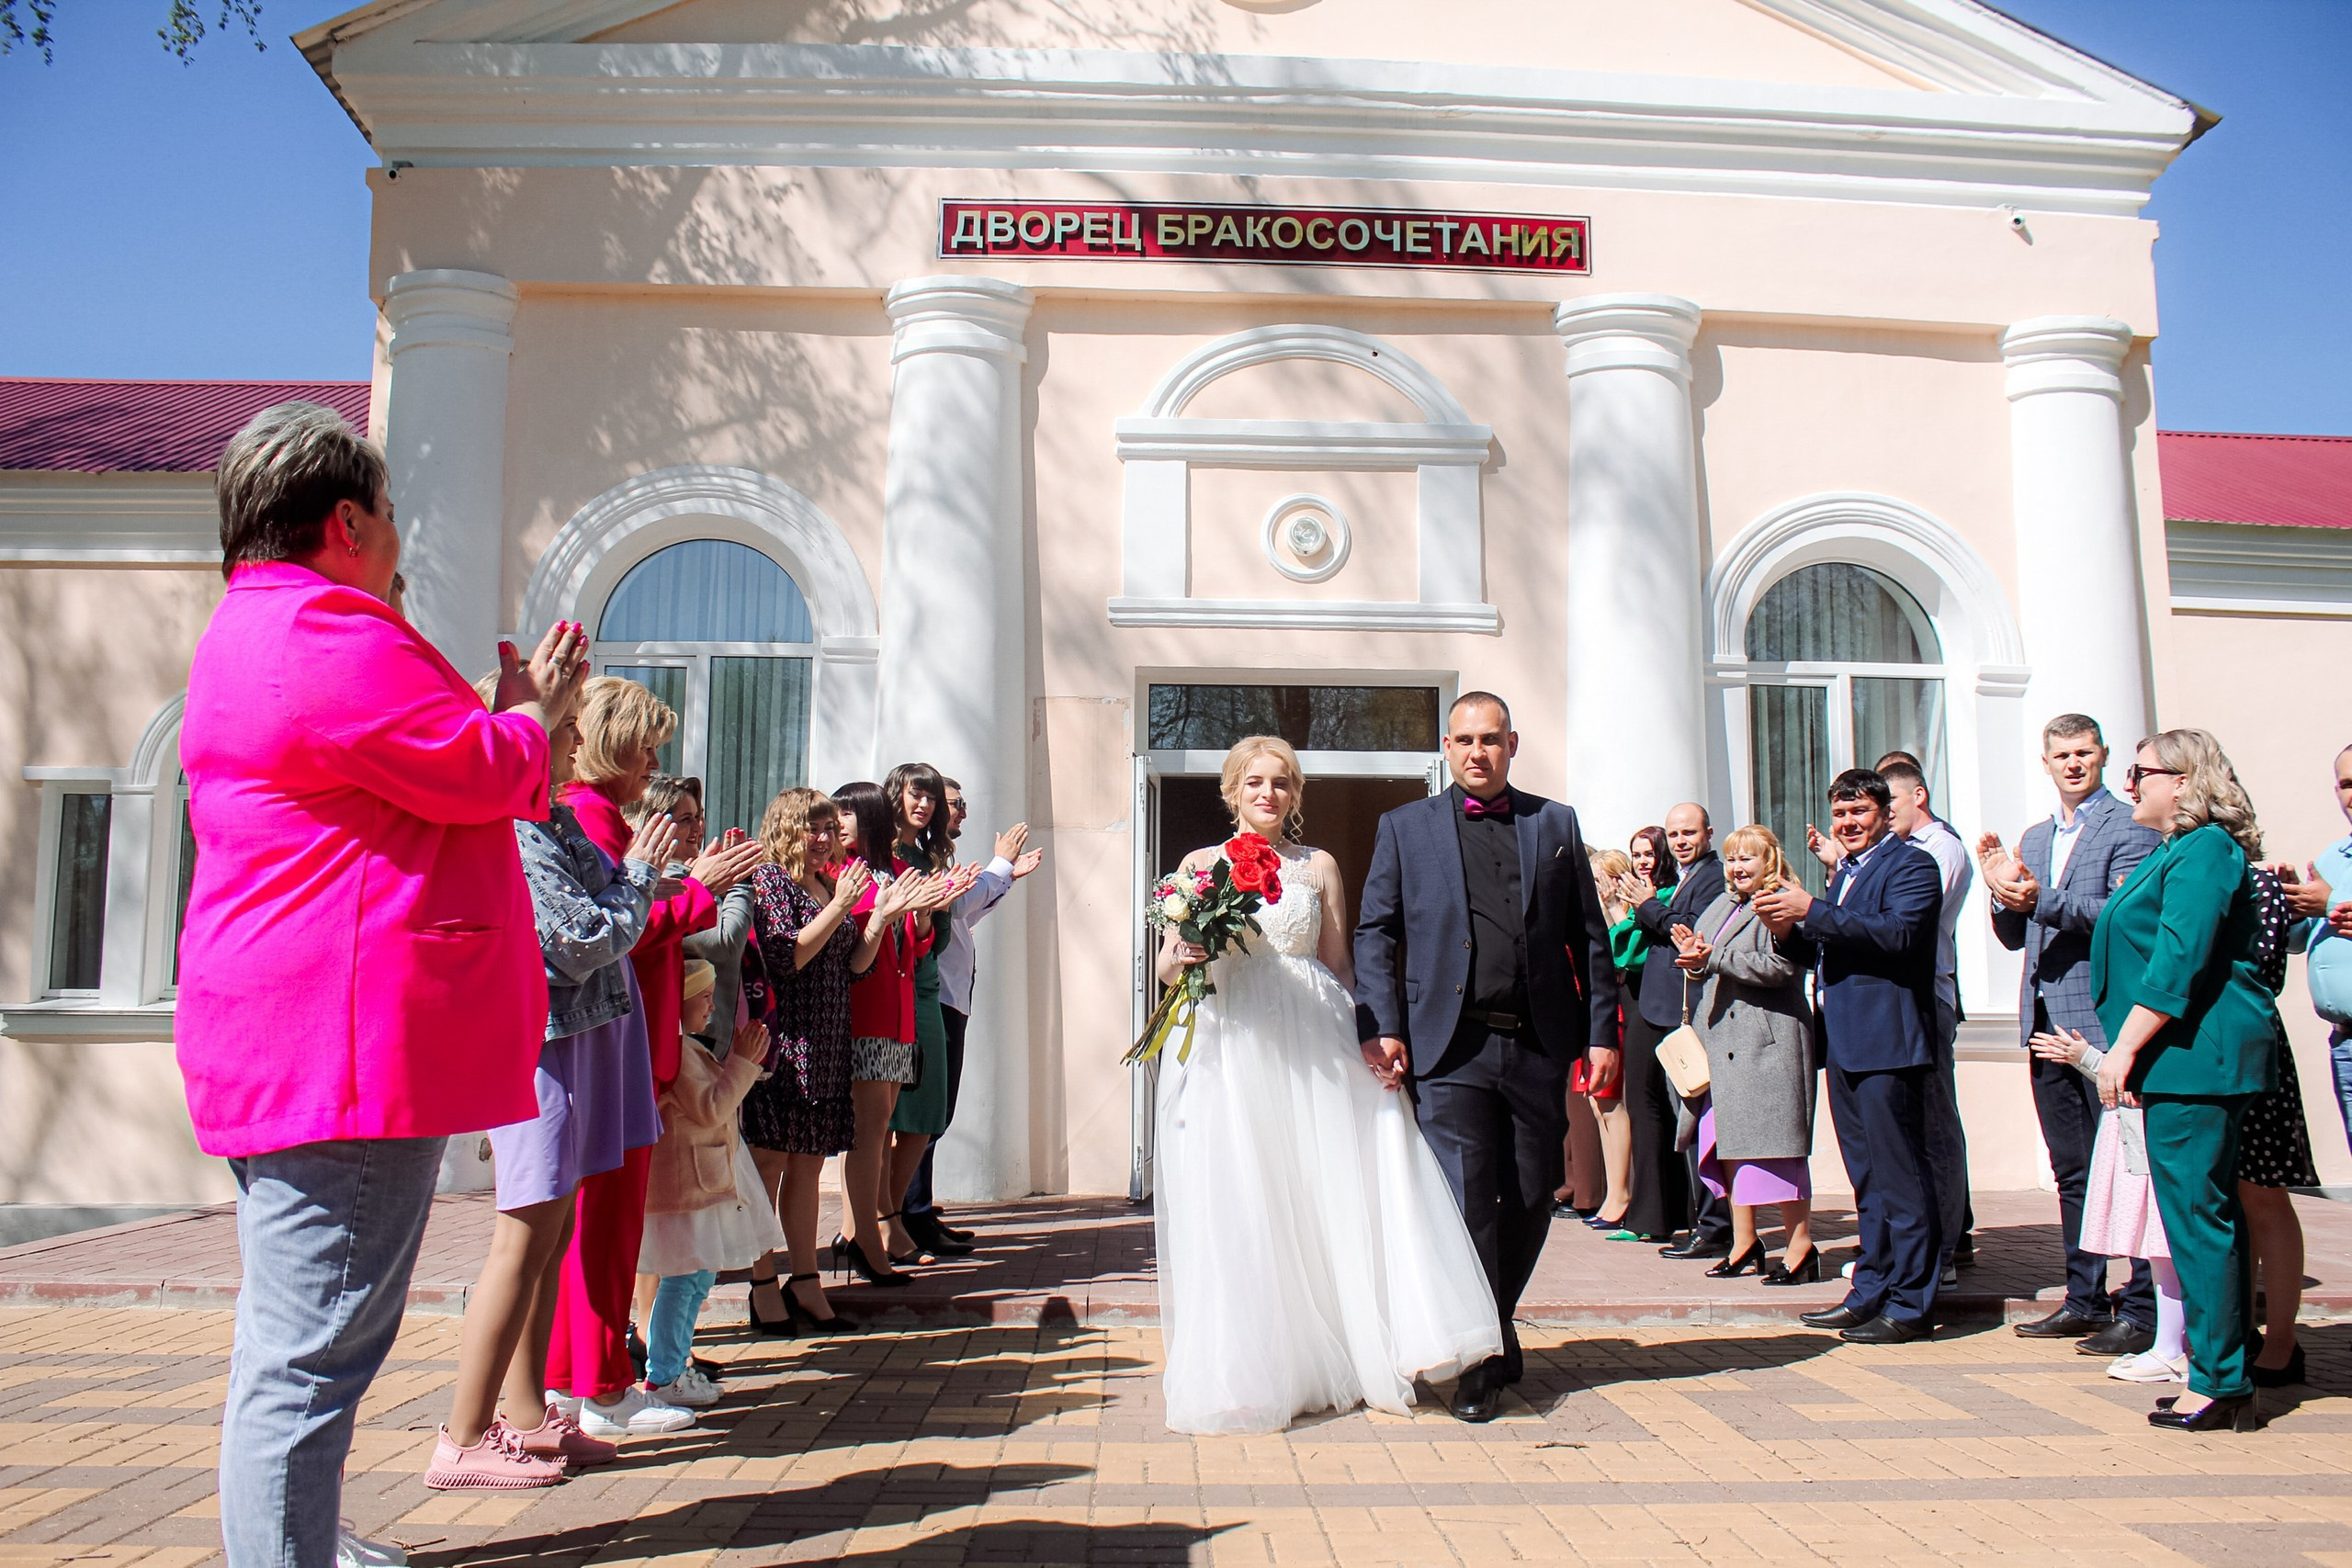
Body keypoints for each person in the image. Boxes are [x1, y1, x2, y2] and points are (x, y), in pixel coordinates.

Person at [176, 401, 581, 1567]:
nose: (399, 539)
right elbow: (483, 769)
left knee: (293, 1342)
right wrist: (530, 715)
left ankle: (305, 1538)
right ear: (345, 521)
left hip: (287, 1032)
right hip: (339, 1045)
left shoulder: (251, 628)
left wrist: (503, 725)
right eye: (391, 516)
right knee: (310, 1357)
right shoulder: (327, 631)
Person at [1158, 733, 1502, 1434]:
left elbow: (1343, 961)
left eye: (1281, 782)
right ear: (1232, 790)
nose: (1268, 794)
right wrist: (1185, 951)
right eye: (1254, 782)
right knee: (1243, 1197)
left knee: (1324, 1189)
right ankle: (1256, 1367)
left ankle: (1346, 1349)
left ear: (1295, 794)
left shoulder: (1319, 866)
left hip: (1314, 1035)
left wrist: (1373, 1038)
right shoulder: (1198, 866)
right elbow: (1169, 968)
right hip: (1233, 1043)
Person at [429, 687, 676, 1488]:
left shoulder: (551, 819)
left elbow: (610, 916)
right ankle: (462, 1434)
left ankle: (528, 1416)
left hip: (577, 1041)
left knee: (548, 1237)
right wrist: (640, 876)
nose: (571, 744)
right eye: (563, 727)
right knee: (521, 1238)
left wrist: (634, 890)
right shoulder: (519, 826)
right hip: (542, 1046)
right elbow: (580, 939)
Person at [1356, 693, 1623, 1422]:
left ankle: (1493, 1315)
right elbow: (1375, 931)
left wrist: (1604, 1035)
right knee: (1470, 1199)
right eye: (1465, 740)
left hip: (1537, 1042)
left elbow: (1591, 940)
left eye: (1491, 739)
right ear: (1447, 746)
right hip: (1450, 1045)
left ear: (1513, 743)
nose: (1478, 751)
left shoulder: (1555, 823)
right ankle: (1479, 1357)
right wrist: (1379, 1023)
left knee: (1536, 1191)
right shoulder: (1404, 827)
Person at [547, 681, 763, 1432]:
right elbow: (614, 929)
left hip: (633, 1041)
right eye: (646, 749)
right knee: (599, 1233)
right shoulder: (587, 816)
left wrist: (687, 886)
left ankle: (589, 1380)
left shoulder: (597, 816)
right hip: (615, 1042)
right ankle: (599, 1386)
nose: (652, 765)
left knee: (606, 1232)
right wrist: (694, 891)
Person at [2086, 728, 2284, 1431]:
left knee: (2199, 1221)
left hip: (2197, 1059)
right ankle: (2218, 1369)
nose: (2130, 783)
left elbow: (2180, 959)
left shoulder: (2204, 850)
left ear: (2184, 778)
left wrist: (2124, 1049)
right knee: (2198, 1219)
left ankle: (2221, 1379)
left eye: (2141, 771)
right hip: (2181, 1059)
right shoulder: (2177, 850)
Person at [1980, 715, 2162, 1356]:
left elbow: (2120, 916)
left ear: (2105, 756)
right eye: (2062, 754)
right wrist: (1999, 892)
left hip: (2101, 1022)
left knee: (2128, 1167)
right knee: (2073, 1170)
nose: (2074, 764)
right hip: (2042, 1021)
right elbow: (2014, 933)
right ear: (2046, 761)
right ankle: (2083, 1296)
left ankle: (2141, 1306)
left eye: (2084, 752)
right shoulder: (2035, 834)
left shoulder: (2128, 826)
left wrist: (2038, 899)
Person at [1754, 769, 1944, 1344]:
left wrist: (1811, 907)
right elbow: (1825, 946)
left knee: (1901, 1179)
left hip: (1890, 1044)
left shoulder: (1912, 865)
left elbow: (1897, 936)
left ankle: (1911, 1303)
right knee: (1867, 1180)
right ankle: (1871, 1290)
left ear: (1886, 813)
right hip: (1845, 1043)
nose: (1849, 824)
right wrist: (1786, 928)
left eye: (1859, 813)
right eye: (1840, 815)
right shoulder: (1848, 875)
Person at [741, 787, 876, 1335]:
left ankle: (805, 1281)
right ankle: (760, 1284)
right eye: (812, 828)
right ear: (786, 829)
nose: (824, 839)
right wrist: (843, 906)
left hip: (826, 1043)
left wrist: (880, 917)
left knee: (808, 1166)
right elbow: (786, 955)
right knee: (767, 1168)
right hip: (785, 1044)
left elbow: (853, 965)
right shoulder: (771, 879)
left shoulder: (826, 883)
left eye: (828, 828)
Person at [897, 777, 1044, 1255]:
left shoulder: (934, 857)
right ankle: (907, 1212)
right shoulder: (913, 857)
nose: (959, 813)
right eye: (953, 804)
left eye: (956, 804)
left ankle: (916, 1207)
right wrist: (999, 865)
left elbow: (961, 917)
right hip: (930, 994)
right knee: (924, 1114)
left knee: (936, 1112)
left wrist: (1003, 878)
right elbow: (955, 906)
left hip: (950, 992)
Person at [1668, 826, 1820, 1283]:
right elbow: (1706, 964)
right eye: (1732, 859)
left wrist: (1712, 959)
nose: (1736, 868)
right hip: (1722, 1045)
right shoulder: (1723, 904)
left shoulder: (1784, 900)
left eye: (1747, 859)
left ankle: (1800, 1248)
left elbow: (1784, 967)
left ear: (1769, 860)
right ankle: (1744, 1243)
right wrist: (1694, 961)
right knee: (1729, 1147)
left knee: (1778, 1150)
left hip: (1767, 1044)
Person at [639, 961, 783, 1407]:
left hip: (701, 1182)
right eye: (702, 997)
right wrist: (742, 1062)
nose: (711, 1006)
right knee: (683, 1281)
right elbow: (709, 1108)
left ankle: (675, 1367)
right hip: (689, 1188)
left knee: (696, 1279)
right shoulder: (678, 1051)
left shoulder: (688, 1048)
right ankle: (664, 1374)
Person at [831, 780, 956, 1285]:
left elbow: (918, 952)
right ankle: (863, 1234)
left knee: (879, 1129)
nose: (837, 824)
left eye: (846, 814)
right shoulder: (844, 872)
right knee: (867, 1133)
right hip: (865, 1015)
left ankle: (871, 1231)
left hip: (898, 1015)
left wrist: (924, 919)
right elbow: (854, 947)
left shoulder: (901, 871)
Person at [1871, 753, 1975, 1280]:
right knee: (1908, 1125)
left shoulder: (1938, 850)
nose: (1883, 816)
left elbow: (1903, 920)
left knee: (1934, 1124)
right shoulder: (1907, 850)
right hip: (1901, 995)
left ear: (1919, 796)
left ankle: (1947, 1247)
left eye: (1890, 803)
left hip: (1928, 993)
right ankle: (1926, 1242)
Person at [880, 763, 985, 1264]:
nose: (925, 806)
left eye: (932, 799)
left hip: (926, 988)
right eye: (915, 795)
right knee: (886, 1121)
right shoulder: (881, 853)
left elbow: (939, 938)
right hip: (893, 992)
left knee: (925, 1117)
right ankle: (888, 1221)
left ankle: (906, 1215)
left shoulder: (923, 858)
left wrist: (933, 912)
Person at [1623, 804, 1726, 1254]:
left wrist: (1647, 907)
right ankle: (1695, 1220)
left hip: (1688, 1011)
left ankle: (1712, 1224)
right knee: (1671, 1115)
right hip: (1662, 1006)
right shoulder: (1686, 876)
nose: (1681, 840)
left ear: (1708, 833)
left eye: (1690, 832)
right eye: (1675, 833)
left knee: (1694, 1117)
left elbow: (1687, 931)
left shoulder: (1713, 878)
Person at [2232, 862, 2319, 1388]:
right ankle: (2237, 1333)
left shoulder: (2257, 881)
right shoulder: (2166, 867)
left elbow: (2266, 969)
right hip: (2195, 1052)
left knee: (2263, 1195)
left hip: (2248, 1046)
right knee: (2221, 1201)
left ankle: (2282, 1340)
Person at [2281, 742, 2352, 1156]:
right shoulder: (2334, 856)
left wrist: (2326, 904)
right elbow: (2299, 940)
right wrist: (2292, 905)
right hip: (2344, 1039)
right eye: (2346, 784)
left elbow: (2332, 909)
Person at [1568, 849, 1644, 1231]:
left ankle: (1621, 1194)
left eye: (1600, 878)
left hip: (1613, 1019)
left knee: (1612, 1106)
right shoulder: (1594, 917)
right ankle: (1613, 1193)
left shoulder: (1625, 919)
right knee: (1598, 1108)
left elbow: (1620, 960)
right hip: (1589, 1018)